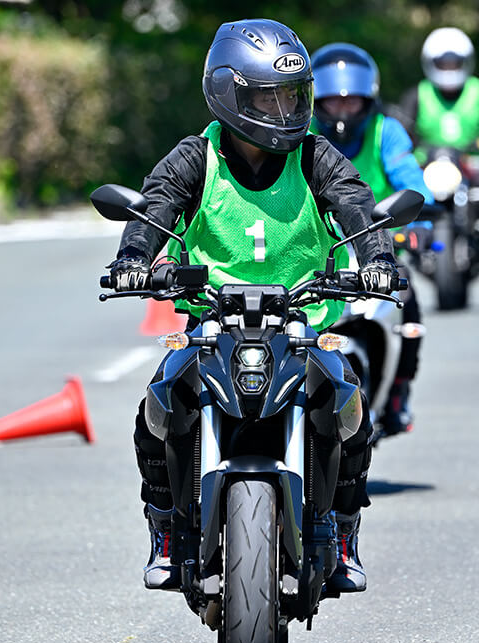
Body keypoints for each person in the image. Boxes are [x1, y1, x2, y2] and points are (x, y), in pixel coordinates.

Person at [106, 19, 400, 596]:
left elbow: (356, 204)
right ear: (228, 94)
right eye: (268, 96)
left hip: (303, 324)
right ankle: (165, 528)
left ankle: (343, 530)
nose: (284, 108)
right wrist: (134, 259)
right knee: (155, 412)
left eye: (292, 94)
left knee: (351, 413)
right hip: (211, 324)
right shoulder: (196, 158)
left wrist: (377, 257)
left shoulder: (316, 155)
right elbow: (157, 207)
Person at [311, 41, 435, 437]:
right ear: (316, 103)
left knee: (408, 298)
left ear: (369, 101)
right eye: (333, 103)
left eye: (351, 103)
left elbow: (411, 181)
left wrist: (418, 223)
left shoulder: (387, 130)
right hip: (317, 250)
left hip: (380, 244)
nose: (342, 112)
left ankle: (398, 391)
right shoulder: (302, 134)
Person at [396, 26, 479, 259]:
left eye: (454, 63)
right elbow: (403, 128)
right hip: (428, 161)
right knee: (406, 193)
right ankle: (413, 235)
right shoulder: (418, 94)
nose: (449, 69)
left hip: (468, 160)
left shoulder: (478, 91)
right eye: (443, 64)